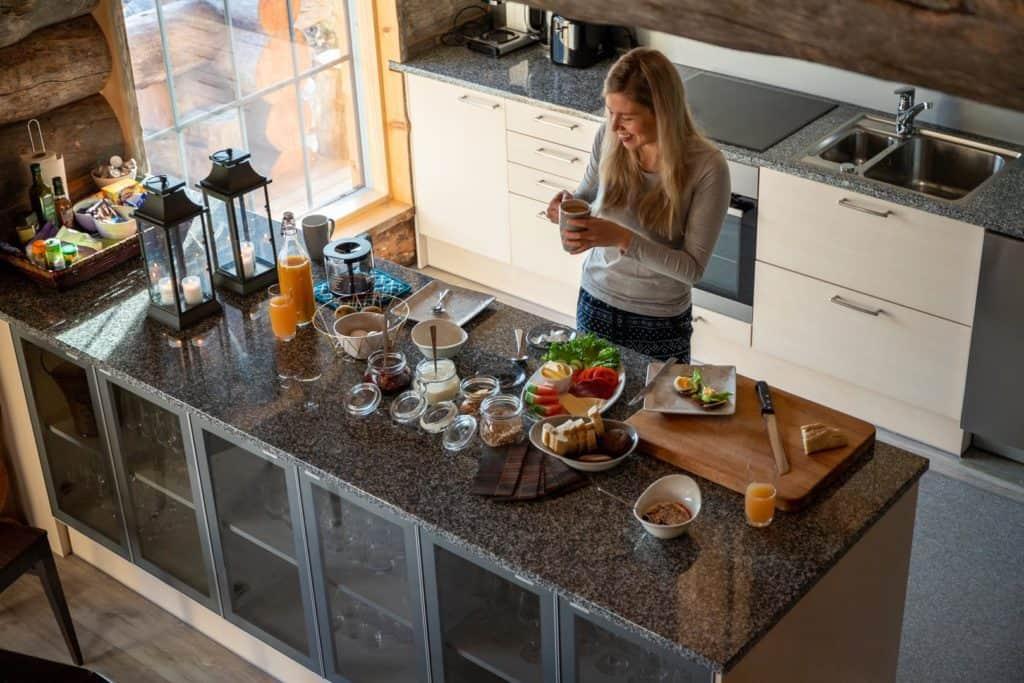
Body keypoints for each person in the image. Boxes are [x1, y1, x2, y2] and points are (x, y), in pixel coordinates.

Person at [545, 47, 730, 362]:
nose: (615, 127)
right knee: (590, 408)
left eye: (627, 117)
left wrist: (620, 238)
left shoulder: (708, 167)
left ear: (661, 111)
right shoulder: (609, 136)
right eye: (610, 112)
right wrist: (567, 206)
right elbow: (587, 195)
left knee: (656, 412)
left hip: (658, 321)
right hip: (595, 301)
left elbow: (692, 269)